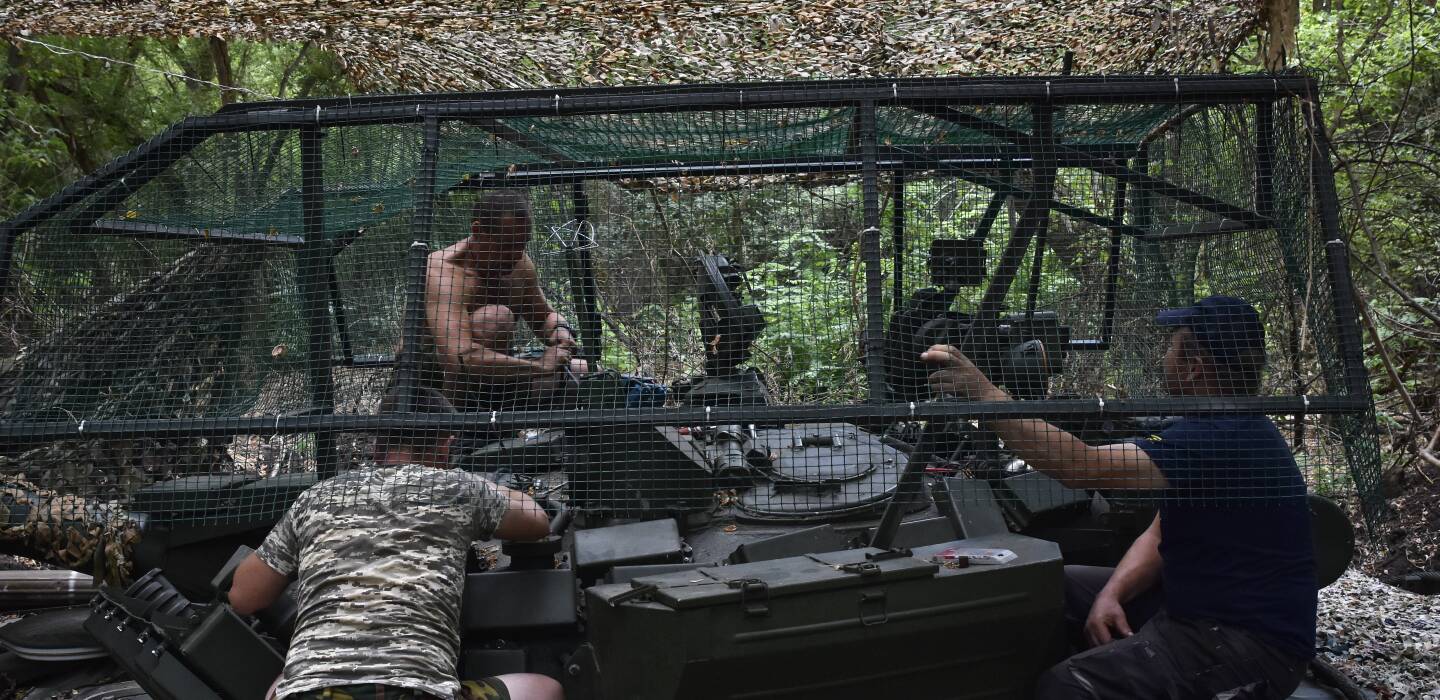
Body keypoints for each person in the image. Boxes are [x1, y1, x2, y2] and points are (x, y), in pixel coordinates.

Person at [923, 295, 1315, 700]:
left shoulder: (1221, 436)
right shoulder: (1224, 423)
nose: (1164, 358)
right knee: (1049, 586)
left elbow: (1079, 466)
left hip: (1246, 646)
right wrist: (1111, 594)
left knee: (1067, 688)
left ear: (1194, 368)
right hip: (1193, 605)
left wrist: (987, 397)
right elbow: (1159, 534)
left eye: (1171, 348)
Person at [228, 387, 564, 700]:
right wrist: (476, 483)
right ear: (446, 446)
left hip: (313, 694)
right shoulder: (459, 489)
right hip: (415, 692)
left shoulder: (317, 497)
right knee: (544, 688)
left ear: (377, 445)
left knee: (283, 680)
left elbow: (243, 596)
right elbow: (535, 520)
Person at [424, 189, 584, 411]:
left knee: (590, 376)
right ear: (478, 231)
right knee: (496, 318)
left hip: (500, 383)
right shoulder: (441, 272)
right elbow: (460, 358)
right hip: (436, 392)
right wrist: (540, 366)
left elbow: (543, 317)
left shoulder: (520, 264)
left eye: (522, 244)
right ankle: (460, 427)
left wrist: (561, 331)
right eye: (507, 245)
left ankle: (503, 417)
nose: (516, 255)